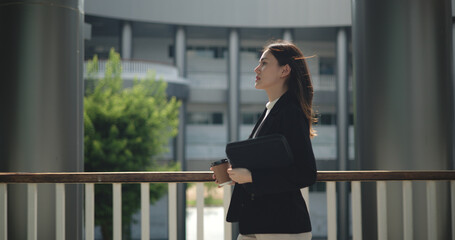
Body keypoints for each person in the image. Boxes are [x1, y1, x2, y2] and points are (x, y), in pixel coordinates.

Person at [212, 40, 317, 240]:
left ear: (284, 70)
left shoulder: (290, 112)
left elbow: (306, 173)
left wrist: (251, 177)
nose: (256, 68)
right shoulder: (272, 110)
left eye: (264, 63)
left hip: (282, 226)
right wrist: (236, 173)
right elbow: (270, 163)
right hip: (257, 221)